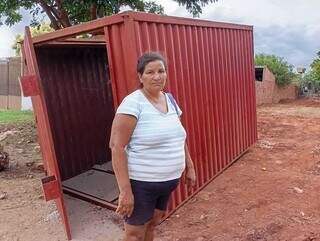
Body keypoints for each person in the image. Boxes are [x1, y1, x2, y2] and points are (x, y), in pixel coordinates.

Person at [109, 52, 196, 241]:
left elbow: (179, 137)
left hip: (167, 183)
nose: (157, 76)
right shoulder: (133, 104)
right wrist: (125, 191)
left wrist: (190, 166)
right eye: (150, 72)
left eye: (161, 71)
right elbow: (116, 147)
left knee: (153, 223)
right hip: (142, 185)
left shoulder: (170, 100)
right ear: (140, 76)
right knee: (134, 235)